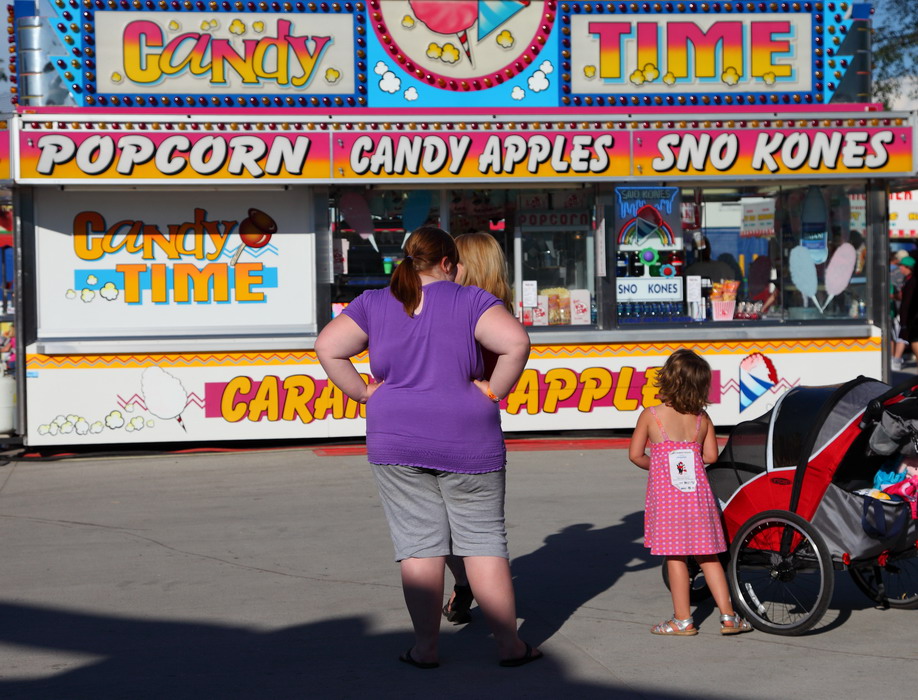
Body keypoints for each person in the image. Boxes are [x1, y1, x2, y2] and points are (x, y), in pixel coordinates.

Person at [314, 225, 541, 668]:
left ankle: (426, 648)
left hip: (395, 437)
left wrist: (363, 393)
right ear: (448, 263)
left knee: (419, 547)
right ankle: (510, 646)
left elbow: (327, 346)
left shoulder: (375, 302)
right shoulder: (471, 300)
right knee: (483, 543)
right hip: (468, 436)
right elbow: (516, 343)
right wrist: (493, 392)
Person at [628, 349, 752, 636]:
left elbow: (635, 455)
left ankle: (682, 620)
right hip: (698, 498)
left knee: (676, 557)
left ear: (668, 379)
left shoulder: (651, 415)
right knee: (709, 557)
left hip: (668, 500)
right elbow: (710, 457)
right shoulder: (701, 419)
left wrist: (658, 466)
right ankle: (729, 617)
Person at [438, 232, 514, 625]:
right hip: (480, 425)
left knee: (437, 525)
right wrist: (493, 391)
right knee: (482, 525)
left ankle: (465, 580)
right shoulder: (498, 309)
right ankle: (477, 591)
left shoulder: (455, 310)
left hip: (438, 422)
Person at [896, 256, 918, 370]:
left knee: (914, 340)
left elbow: (907, 304)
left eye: (902, 266)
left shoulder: (911, 282)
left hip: (913, 322)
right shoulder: (909, 280)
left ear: (908, 267)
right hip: (912, 320)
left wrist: (904, 324)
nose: (900, 269)